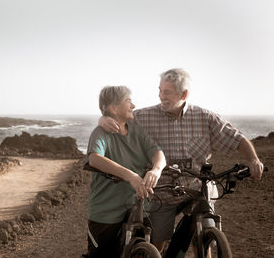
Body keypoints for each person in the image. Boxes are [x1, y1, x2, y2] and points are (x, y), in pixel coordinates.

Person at [99, 68, 264, 256]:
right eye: (160, 90)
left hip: (197, 189)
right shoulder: (144, 117)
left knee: (204, 238)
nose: (161, 96)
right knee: (157, 243)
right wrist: (104, 119)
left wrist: (253, 160)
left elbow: (236, 138)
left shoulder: (205, 117)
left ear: (183, 94)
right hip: (161, 192)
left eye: (167, 92)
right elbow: (117, 122)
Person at [86, 85, 166, 258]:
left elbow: (158, 153)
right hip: (106, 211)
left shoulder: (137, 131)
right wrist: (131, 175)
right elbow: (94, 158)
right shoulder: (100, 132)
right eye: (128, 101)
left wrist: (156, 170)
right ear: (113, 108)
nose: (133, 105)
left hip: (139, 208)